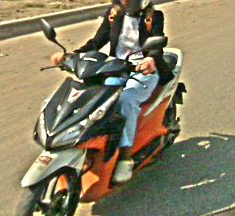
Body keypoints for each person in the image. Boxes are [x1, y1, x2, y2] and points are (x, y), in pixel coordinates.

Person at [51, 0, 174, 183]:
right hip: (117, 68)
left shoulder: (154, 16)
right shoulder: (113, 14)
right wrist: (72, 55)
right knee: (98, 97)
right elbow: (97, 41)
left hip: (145, 70)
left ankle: (125, 157)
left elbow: (156, 46)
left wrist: (150, 59)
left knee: (126, 100)